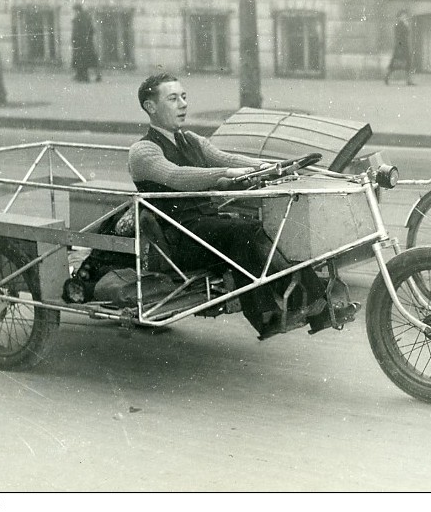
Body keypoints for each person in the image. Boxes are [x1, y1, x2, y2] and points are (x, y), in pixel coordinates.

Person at [128, 73, 353, 337]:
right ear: (150, 107)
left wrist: (272, 167)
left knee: (266, 228)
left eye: (184, 97)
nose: (183, 104)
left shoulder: (191, 140)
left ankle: (314, 305)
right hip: (175, 240)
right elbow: (176, 175)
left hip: (204, 228)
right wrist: (223, 175)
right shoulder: (143, 151)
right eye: (173, 98)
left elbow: (227, 158)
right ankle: (267, 315)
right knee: (242, 233)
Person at [384, 9, 415, 86]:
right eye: (403, 16)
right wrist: (399, 48)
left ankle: (408, 80)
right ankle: (387, 77)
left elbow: (407, 34)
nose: (404, 17)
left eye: (405, 16)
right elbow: (398, 37)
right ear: (399, 17)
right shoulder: (398, 25)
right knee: (395, 64)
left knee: (407, 63)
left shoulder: (404, 24)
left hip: (404, 46)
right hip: (400, 46)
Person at [71, 4, 100, 83]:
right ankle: (85, 76)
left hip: (81, 44)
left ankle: (83, 76)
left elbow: (76, 32)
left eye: (74, 11)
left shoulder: (78, 19)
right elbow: (92, 31)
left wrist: (75, 41)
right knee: (89, 60)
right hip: (87, 44)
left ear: (77, 10)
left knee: (82, 61)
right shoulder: (87, 18)